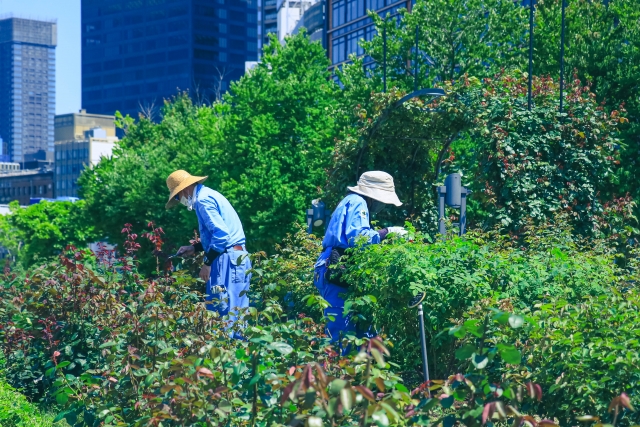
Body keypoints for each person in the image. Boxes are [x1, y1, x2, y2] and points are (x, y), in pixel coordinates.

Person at [314, 171, 405, 345]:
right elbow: (358, 237)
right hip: (335, 266)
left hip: (336, 267)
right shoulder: (358, 201)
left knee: (360, 333)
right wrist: (388, 232)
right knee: (341, 334)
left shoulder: (351, 201)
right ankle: (337, 370)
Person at [166, 170, 251, 337]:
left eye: (177, 197)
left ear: (184, 190)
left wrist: (207, 263)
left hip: (227, 259)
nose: (179, 201)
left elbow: (222, 235)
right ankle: (241, 358)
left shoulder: (203, 201)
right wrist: (195, 248)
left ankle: (229, 358)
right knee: (237, 312)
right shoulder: (208, 195)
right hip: (235, 257)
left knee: (223, 313)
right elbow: (219, 234)